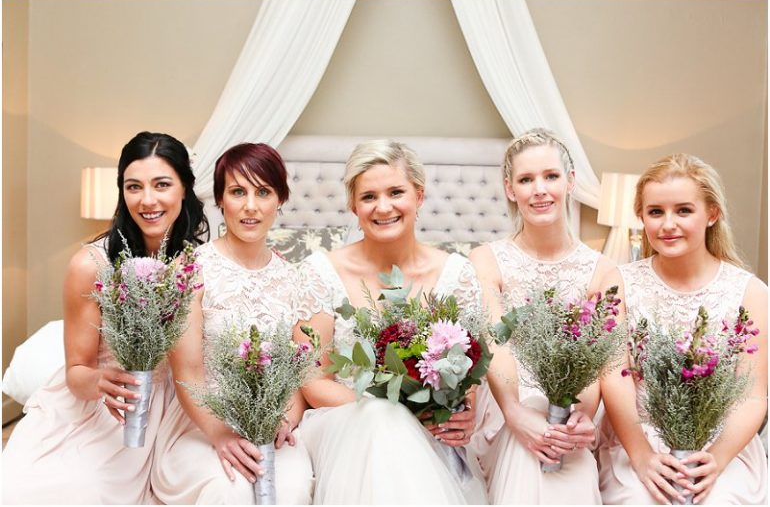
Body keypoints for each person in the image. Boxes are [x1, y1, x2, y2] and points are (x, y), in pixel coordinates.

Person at [2, 131, 209, 504]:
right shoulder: (90, 265)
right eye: (134, 187)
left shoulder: (202, 264)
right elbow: (76, 372)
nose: (147, 200)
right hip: (101, 413)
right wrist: (101, 382)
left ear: (185, 188)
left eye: (162, 184)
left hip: (174, 410)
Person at [293, 139, 487, 504]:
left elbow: (468, 369)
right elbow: (313, 381)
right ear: (353, 205)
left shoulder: (456, 274)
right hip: (341, 422)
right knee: (382, 421)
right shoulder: (319, 272)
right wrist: (392, 410)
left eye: (396, 192)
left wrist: (463, 409)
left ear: (419, 195)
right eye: (369, 197)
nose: (383, 207)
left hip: (428, 425)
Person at [598, 153, 767, 505]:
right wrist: (642, 456)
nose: (668, 224)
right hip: (638, 438)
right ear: (641, 216)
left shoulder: (751, 293)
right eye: (655, 212)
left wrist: (717, 459)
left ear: (712, 214)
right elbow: (613, 377)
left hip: (722, 444)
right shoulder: (618, 284)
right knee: (640, 498)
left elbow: (753, 396)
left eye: (684, 211)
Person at [151, 142, 314, 504]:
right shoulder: (189, 269)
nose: (250, 206)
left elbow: (299, 376)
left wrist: (285, 420)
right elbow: (187, 373)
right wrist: (220, 434)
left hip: (272, 426)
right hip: (200, 423)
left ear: (280, 199)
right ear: (220, 200)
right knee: (231, 490)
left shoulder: (295, 279)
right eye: (238, 192)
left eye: (263, 192)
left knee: (291, 490)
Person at [468, 128, 613, 503]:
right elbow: (496, 342)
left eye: (550, 176)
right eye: (526, 180)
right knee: (526, 442)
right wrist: (515, 413)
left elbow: (596, 359)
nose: (539, 190)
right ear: (509, 189)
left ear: (570, 181)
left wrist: (579, 416)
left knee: (572, 461)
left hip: (574, 406)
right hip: (504, 403)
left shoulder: (602, 270)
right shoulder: (486, 260)